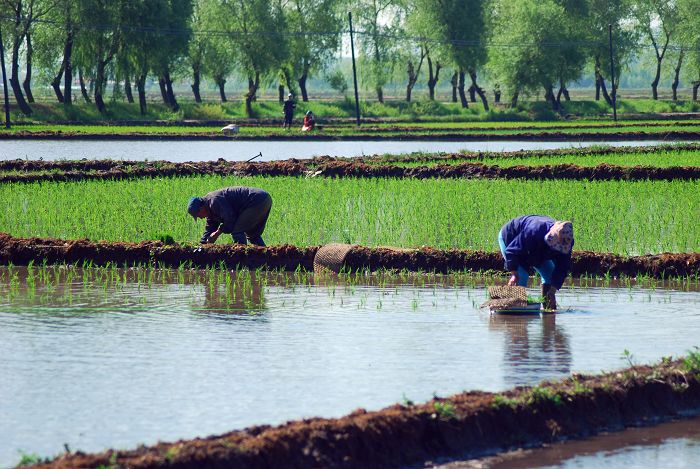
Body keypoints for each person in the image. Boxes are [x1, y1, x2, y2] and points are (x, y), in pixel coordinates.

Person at [498, 215, 574, 310]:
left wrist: (552, 291)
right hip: (511, 239)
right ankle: (515, 310)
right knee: (522, 276)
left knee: (550, 274)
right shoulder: (534, 231)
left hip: (538, 248)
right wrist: (514, 273)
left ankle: (547, 305)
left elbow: (562, 267)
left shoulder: (567, 240)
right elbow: (512, 251)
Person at [187, 187, 272, 246]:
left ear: (201, 208)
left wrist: (217, 233)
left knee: (237, 231)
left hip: (255, 200)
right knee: (253, 235)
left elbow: (230, 220)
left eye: (198, 215)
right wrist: (203, 244)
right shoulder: (209, 208)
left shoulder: (214, 201)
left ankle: (242, 259)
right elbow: (210, 229)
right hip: (264, 198)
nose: (200, 218)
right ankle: (265, 256)